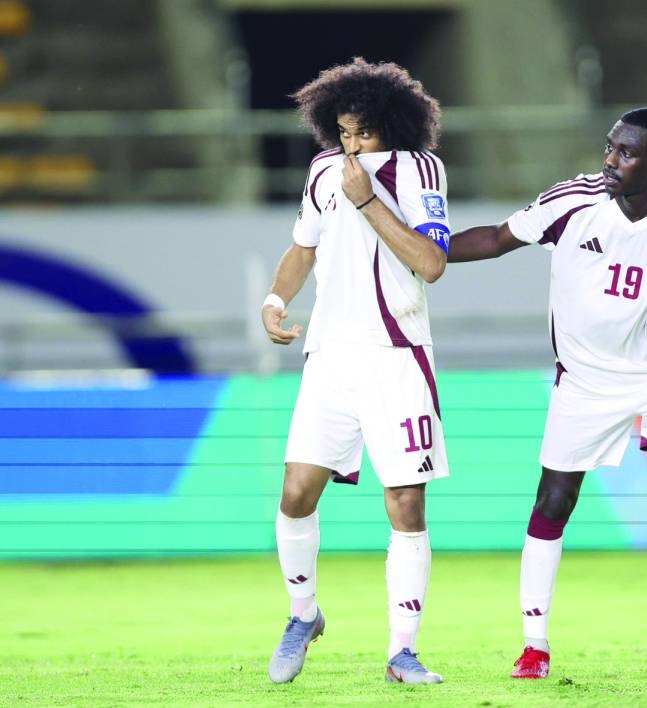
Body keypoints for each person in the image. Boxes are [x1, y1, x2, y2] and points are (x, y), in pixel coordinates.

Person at [447, 107, 647, 677]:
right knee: (553, 503)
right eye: (610, 147)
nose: (611, 160)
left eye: (627, 153)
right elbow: (494, 239)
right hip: (586, 381)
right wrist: (421, 250)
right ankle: (534, 646)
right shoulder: (573, 202)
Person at [261, 57, 451, 685]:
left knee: (405, 502)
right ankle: (303, 615)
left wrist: (367, 200)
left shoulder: (420, 170)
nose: (351, 145)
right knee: (296, 492)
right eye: (343, 132)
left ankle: (402, 652)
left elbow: (431, 262)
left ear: (393, 125)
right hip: (330, 356)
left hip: (396, 354)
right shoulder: (323, 170)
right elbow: (304, 247)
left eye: (363, 133)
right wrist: (276, 299)